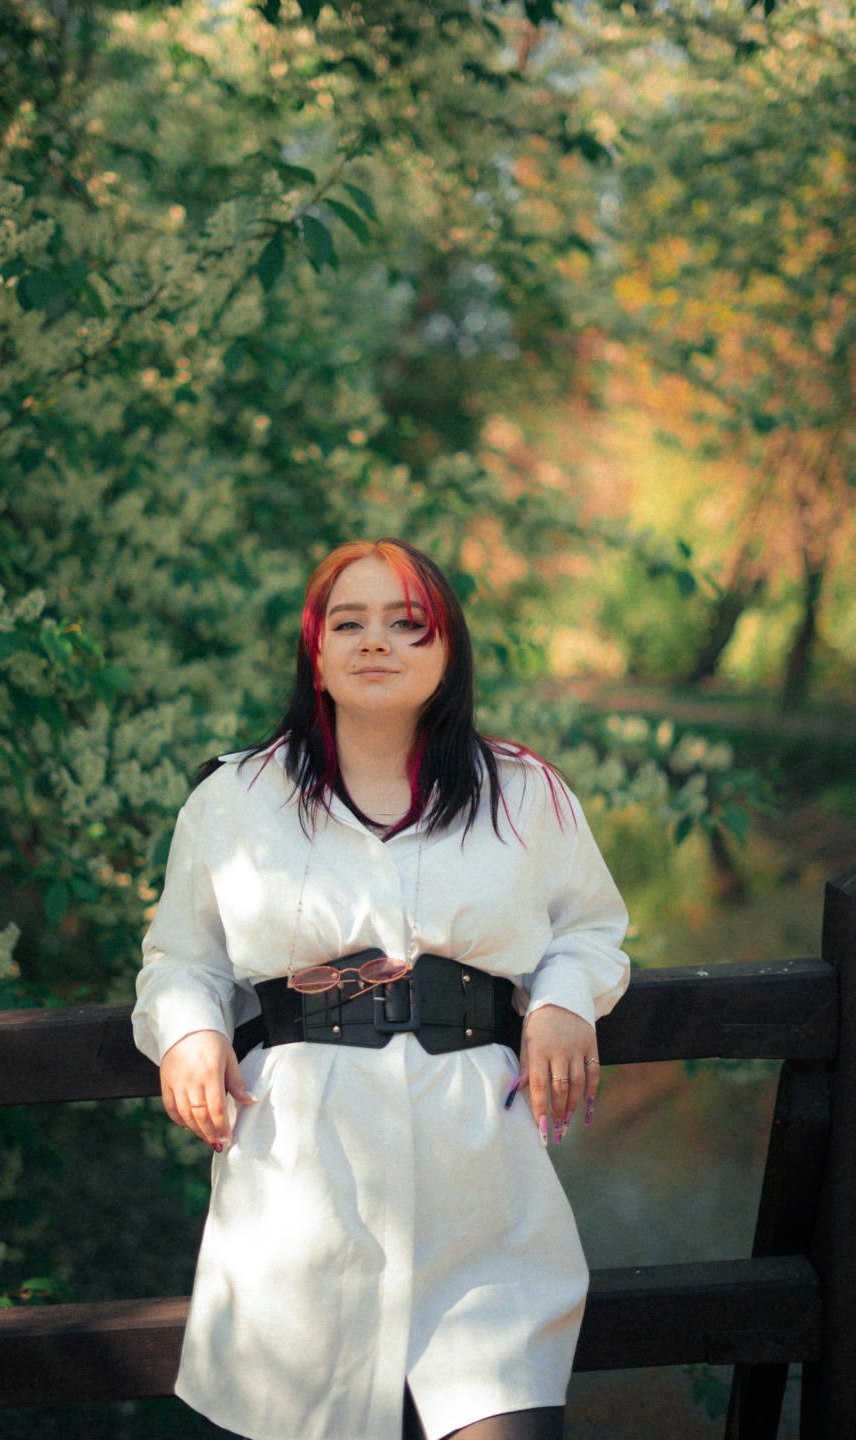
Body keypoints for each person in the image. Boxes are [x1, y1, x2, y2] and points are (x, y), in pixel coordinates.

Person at [132, 538, 629, 1440]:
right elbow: (180, 960)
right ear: (314, 652)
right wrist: (189, 1031)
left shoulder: (525, 794)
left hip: (479, 1184)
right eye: (348, 623)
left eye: (407, 624)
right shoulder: (234, 799)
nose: (375, 642)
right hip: (301, 1185)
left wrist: (562, 1002)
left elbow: (589, 929)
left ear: (448, 651)